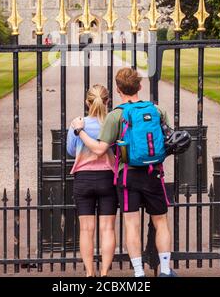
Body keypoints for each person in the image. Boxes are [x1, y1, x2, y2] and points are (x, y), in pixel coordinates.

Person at [72, 68, 176, 277]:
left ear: (118, 90)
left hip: (128, 174)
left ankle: (138, 272)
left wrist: (79, 131)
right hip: (154, 172)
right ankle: (165, 269)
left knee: (131, 223)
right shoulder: (157, 110)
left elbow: (101, 148)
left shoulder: (115, 116)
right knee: (161, 221)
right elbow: (169, 140)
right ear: (140, 86)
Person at [67, 84, 117, 277]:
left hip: (83, 179)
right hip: (107, 177)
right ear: (107, 102)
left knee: (86, 230)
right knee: (107, 229)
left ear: (87, 102)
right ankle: (104, 272)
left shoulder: (78, 124)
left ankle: (90, 273)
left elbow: (71, 151)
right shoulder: (112, 123)